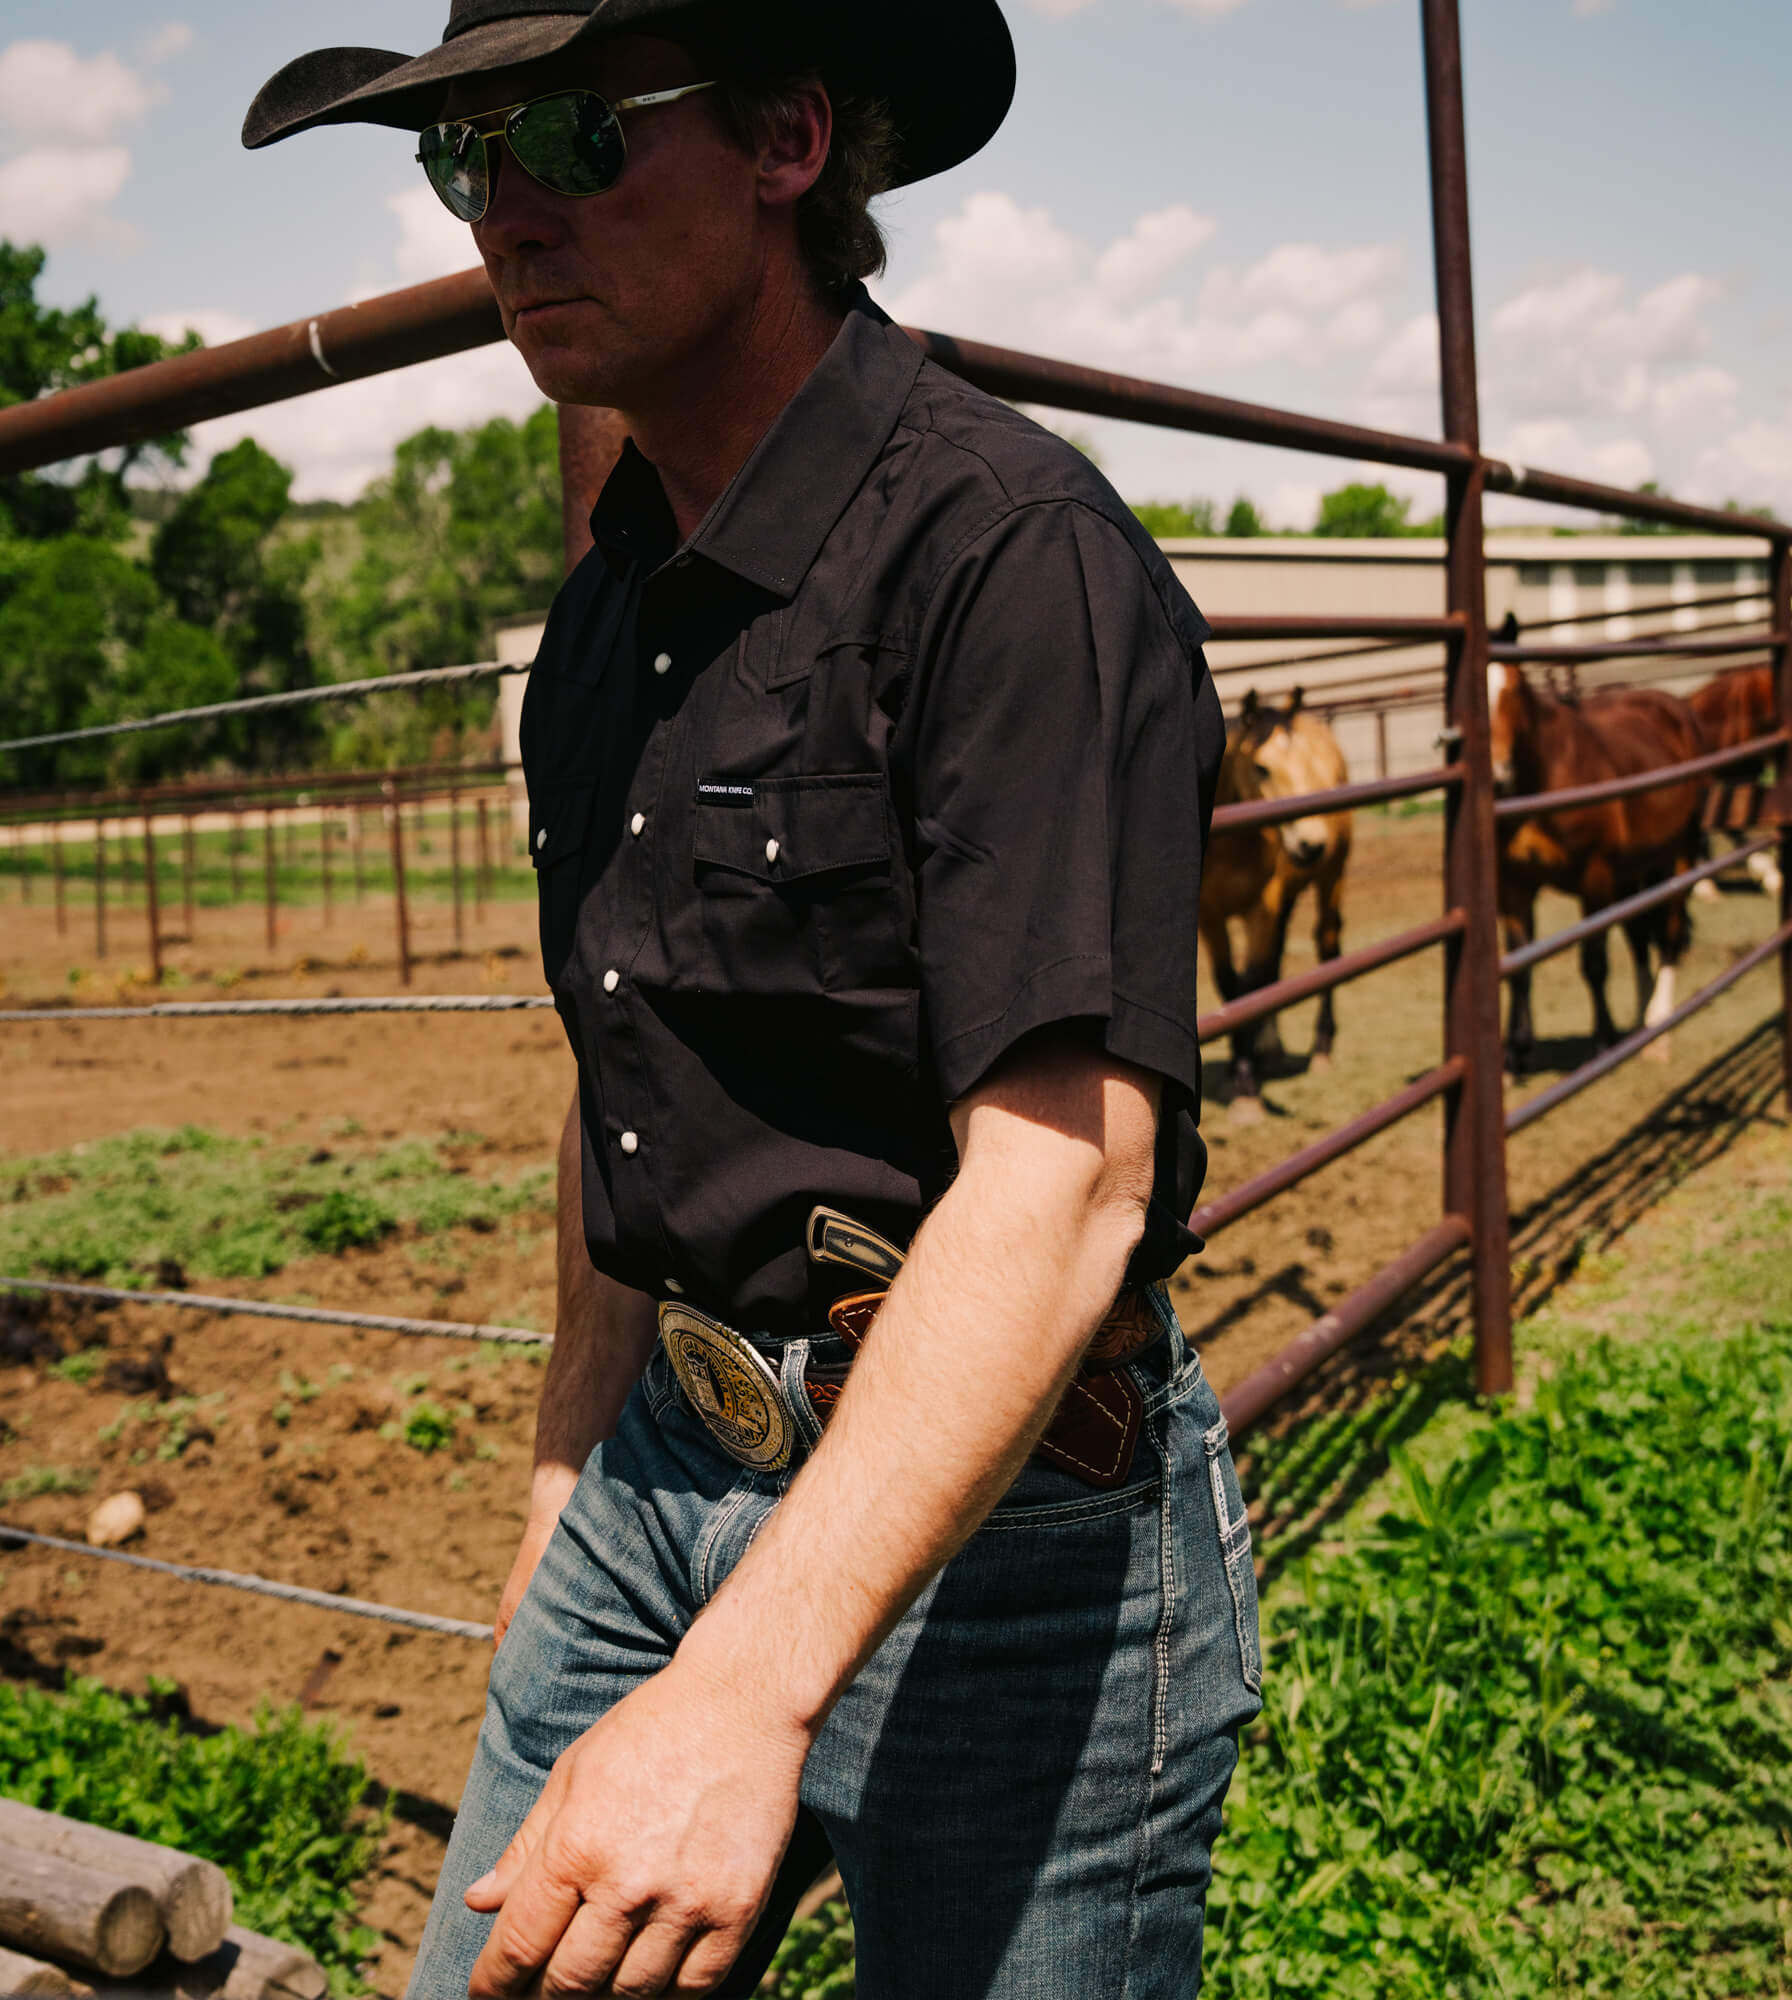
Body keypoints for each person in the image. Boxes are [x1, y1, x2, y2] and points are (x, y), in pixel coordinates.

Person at [244, 4, 1259, 1993]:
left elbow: (1064, 1179)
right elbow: (633, 1084)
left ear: (790, 138)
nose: (507, 215)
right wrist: (568, 1481)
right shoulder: (613, 609)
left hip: (1016, 1541)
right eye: (467, 163)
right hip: (662, 1467)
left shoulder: (1008, 557)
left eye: (564, 132)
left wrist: (738, 1698)